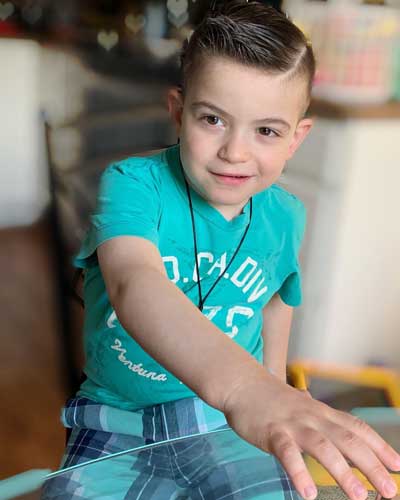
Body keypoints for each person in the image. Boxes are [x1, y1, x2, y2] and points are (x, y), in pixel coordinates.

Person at [42, 2, 400, 499]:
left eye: (267, 131)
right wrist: (246, 388)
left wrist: (271, 386)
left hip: (227, 427)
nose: (235, 151)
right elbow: (133, 281)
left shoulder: (286, 215)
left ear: (297, 138)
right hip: (116, 420)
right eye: (213, 119)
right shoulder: (131, 185)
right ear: (177, 112)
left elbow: (277, 300)